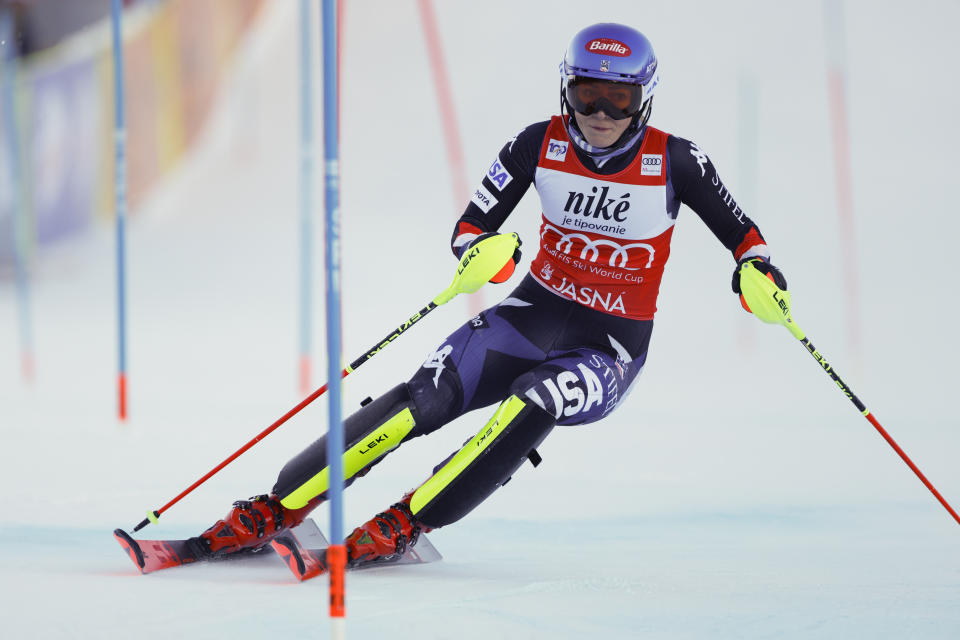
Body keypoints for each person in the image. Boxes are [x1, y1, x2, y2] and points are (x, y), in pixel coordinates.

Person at [193, 22, 788, 566]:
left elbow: (745, 236)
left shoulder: (676, 160)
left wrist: (756, 272)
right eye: (586, 94)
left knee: (536, 399)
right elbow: (470, 226)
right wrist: (483, 252)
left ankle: (404, 523)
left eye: (619, 99)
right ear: (566, 90)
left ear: (643, 100)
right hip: (530, 315)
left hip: (609, 347)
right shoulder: (537, 144)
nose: (600, 112)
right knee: (425, 398)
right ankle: (277, 509)